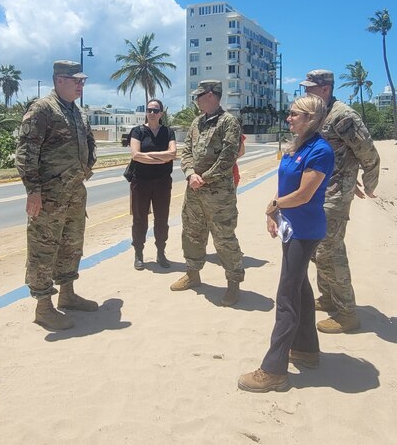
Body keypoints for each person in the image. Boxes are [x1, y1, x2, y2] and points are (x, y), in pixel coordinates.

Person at [238, 95, 334, 393]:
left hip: (306, 229)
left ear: (310, 118)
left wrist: (273, 205)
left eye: (294, 114)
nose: (288, 118)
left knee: (287, 297)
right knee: (300, 289)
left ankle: (274, 370)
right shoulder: (299, 146)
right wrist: (277, 214)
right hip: (292, 227)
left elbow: (305, 194)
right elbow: (288, 186)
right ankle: (306, 350)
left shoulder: (320, 150)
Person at [16, 60, 99, 331]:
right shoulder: (43, 109)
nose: (81, 85)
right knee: (43, 249)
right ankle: (43, 307)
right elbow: (27, 151)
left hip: (75, 192)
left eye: (82, 81)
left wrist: (86, 168)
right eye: (76, 80)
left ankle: (67, 293)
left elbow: (89, 143)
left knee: (71, 244)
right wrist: (33, 191)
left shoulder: (77, 112)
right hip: (49, 195)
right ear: (59, 80)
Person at [301, 69, 381, 333]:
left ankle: (347, 313)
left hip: (335, 194)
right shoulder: (319, 114)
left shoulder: (343, 115)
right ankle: (327, 298)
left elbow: (368, 152)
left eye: (310, 88)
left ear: (325, 89)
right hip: (317, 192)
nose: (305, 92)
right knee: (316, 249)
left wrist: (366, 184)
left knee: (329, 251)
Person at [171, 80, 246, 306]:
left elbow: (228, 157)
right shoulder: (196, 123)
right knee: (192, 233)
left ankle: (233, 284)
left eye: (199, 96)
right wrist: (191, 174)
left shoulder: (228, 122)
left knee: (224, 237)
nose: (196, 100)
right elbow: (186, 152)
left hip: (219, 195)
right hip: (194, 191)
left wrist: (204, 178)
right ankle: (193, 274)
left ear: (211, 95)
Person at [127, 98, 177, 270]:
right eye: (149, 110)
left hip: (163, 182)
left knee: (162, 219)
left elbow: (173, 153)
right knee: (140, 219)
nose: (152, 113)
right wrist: (161, 158)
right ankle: (138, 254)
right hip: (140, 182)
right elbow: (135, 155)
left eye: (156, 110)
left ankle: (161, 253)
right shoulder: (137, 131)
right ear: (146, 112)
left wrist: (149, 158)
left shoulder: (168, 132)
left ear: (161, 113)